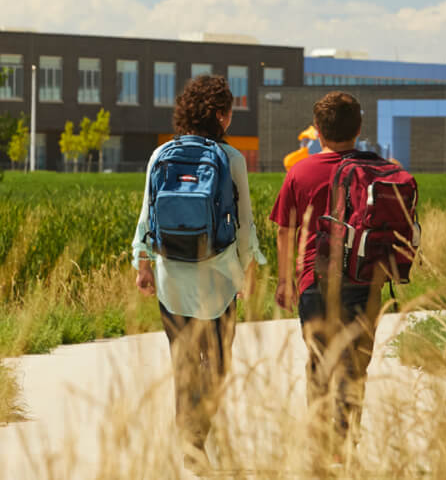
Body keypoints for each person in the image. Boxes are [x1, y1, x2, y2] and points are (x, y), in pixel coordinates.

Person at [132, 74, 264, 457]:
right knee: (217, 364)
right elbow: (244, 223)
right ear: (222, 116)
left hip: (171, 274)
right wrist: (247, 272)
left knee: (184, 361)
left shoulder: (161, 155)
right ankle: (197, 435)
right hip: (218, 278)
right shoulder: (231, 158)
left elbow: (145, 218)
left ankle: (187, 435)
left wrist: (143, 266)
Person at [270, 90, 386, 459]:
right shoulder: (378, 169)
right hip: (364, 282)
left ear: (317, 130)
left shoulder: (300, 171)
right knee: (354, 367)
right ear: (359, 128)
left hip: (313, 284)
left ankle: (321, 441)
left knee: (320, 362)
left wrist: (284, 280)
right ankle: (345, 442)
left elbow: (284, 229)